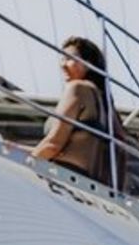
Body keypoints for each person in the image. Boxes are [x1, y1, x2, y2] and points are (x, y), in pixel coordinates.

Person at [28, 36, 129, 186]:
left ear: (88, 64)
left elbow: (53, 145)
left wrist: (26, 163)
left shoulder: (77, 88)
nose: (63, 65)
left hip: (62, 176)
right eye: (63, 58)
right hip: (89, 184)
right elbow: (120, 148)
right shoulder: (106, 105)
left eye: (70, 58)